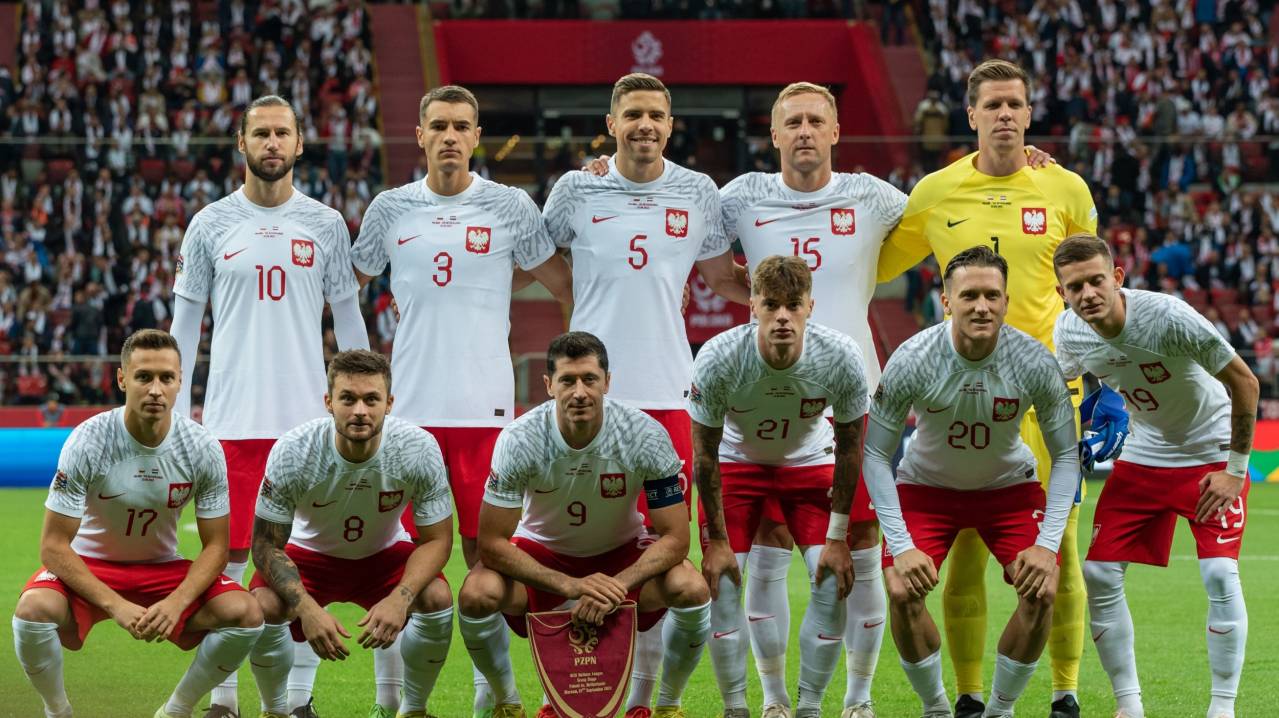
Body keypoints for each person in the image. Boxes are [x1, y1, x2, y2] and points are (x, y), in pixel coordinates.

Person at [875, 59, 1097, 718]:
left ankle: (1064, 691)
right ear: (969, 115)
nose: (1004, 114)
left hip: (1052, 390)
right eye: (991, 105)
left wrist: (1105, 375)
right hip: (962, 389)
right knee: (964, 554)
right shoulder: (935, 192)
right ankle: (968, 698)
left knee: (1060, 549)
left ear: (1029, 114)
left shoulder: (1065, 189)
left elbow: (1090, 284)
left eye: (1014, 104)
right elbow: (874, 260)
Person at [351, 84, 572, 718]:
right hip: (408, 417)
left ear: (476, 137)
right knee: (393, 560)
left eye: (462, 126)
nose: (450, 136)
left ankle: (494, 698)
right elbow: (344, 283)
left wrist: (566, 369)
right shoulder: (390, 209)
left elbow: (565, 285)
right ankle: (394, 704)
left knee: (487, 563)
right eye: (439, 125)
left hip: (487, 417)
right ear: (419, 135)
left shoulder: (509, 207)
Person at [541, 72, 748, 716]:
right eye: (633, 114)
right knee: (583, 539)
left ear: (670, 122)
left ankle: (646, 698)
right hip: (589, 397)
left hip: (666, 392)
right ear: (611, 122)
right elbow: (541, 260)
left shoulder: (698, 192)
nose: (645, 125)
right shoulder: (577, 188)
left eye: (656, 114)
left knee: (662, 550)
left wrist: (787, 289)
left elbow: (718, 276)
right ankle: (570, 688)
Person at [169, 94, 372, 717]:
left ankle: (293, 702)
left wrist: (367, 400)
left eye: (283, 132)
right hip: (229, 425)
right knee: (225, 565)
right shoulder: (208, 223)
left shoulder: (327, 223)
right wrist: (176, 418)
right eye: (261, 133)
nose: (273, 143)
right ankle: (224, 702)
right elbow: (184, 325)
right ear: (242, 143)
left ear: (300, 143)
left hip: (308, 430)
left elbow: (349, 319)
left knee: (299, 565)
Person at [717, 83, 903, 718]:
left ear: (835, 131)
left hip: (856, 399)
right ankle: (773, 703)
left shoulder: (873, 196)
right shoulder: (742, 195)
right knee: (767, 554)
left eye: (814, 121)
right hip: (769, 394)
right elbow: (668, 206)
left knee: (860, 556)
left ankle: (857, 700)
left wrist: (1024, 165)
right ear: (773, 136)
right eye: (790, 121)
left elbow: (948, 208)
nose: (802, 131)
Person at [865, 246, 1079, 718]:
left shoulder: (1034, 361)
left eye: (991, 295)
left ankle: (999, 710)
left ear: (1006, 301)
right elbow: (875, 454)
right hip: (925, 489)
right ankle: (938, 708)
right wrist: (901, 545)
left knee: (1043, 589)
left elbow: (1066, 456)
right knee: (901, 590)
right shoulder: (913, 358)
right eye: (969, 296)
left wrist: (1046, 545)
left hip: (1009, 490)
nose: (981, 306)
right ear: (946, 301)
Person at [1053, 234, 1257, 718]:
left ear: (1117, 277)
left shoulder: (1168, 317)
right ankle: (1129, 706)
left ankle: (1222, 709)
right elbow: (1074, 380)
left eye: (1096, 281)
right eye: (1075, 286)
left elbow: (1245, 383)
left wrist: (1234, 470)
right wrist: (1102, 398)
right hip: (1146, 454)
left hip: (1211, 452)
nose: (1087, 294)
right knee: (1099, 573)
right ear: (1062, 292)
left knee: (1219, 573)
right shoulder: (1068, 331)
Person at [457, 332, 712, 718]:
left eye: (590, 379)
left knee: (691, 587)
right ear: (548, 385)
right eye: (567, 380)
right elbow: (491, 544)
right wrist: (572, 586)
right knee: (476, 593)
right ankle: (506, 703)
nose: (579, 392)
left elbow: (676, 538)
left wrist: (617, 585)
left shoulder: (644, 435)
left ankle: (666, 706)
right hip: (542, 555)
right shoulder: (519, 440)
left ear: (607, 381)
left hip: (620, 555)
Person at [12, 329, 264, 718]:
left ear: (181, 380)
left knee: (246, 613)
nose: (156, 389)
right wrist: (115, 606)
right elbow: (53, 546)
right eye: (144, 377)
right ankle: (57, 711)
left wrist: (177, 602)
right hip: (91, 566)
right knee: (31, 611)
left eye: (167, 377)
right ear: (122, 379)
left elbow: (217, 545)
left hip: (163, 568)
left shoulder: (202, 447)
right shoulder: (89, 440)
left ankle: (176, 710)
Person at [690, 255, 869, 718]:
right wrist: (715, 542)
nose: (783, 316)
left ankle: (808, 708)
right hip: (737, 465)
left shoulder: (842, 355)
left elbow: (851, 449)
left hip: (808, 466)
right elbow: (705, 456)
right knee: (723, 582)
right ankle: (737, 708)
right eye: (772, 305)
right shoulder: (718, 357)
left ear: (811, 305)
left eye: (793, 304)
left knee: (831, 581)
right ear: (752, 306)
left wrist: (838, 538)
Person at [246, 350, 455, 718]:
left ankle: (414, 710)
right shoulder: (294, 450)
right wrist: (306, 609)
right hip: (310, 555)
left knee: (437, 596)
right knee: (261, 606)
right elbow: (264, 544)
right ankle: (275, 710)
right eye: (348, 399)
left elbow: (437, 539)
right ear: (329, 402)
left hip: (383, 556)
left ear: (389, 403)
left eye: (371, 399)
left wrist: (401, 598)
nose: (360, 410)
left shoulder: (418, 448)